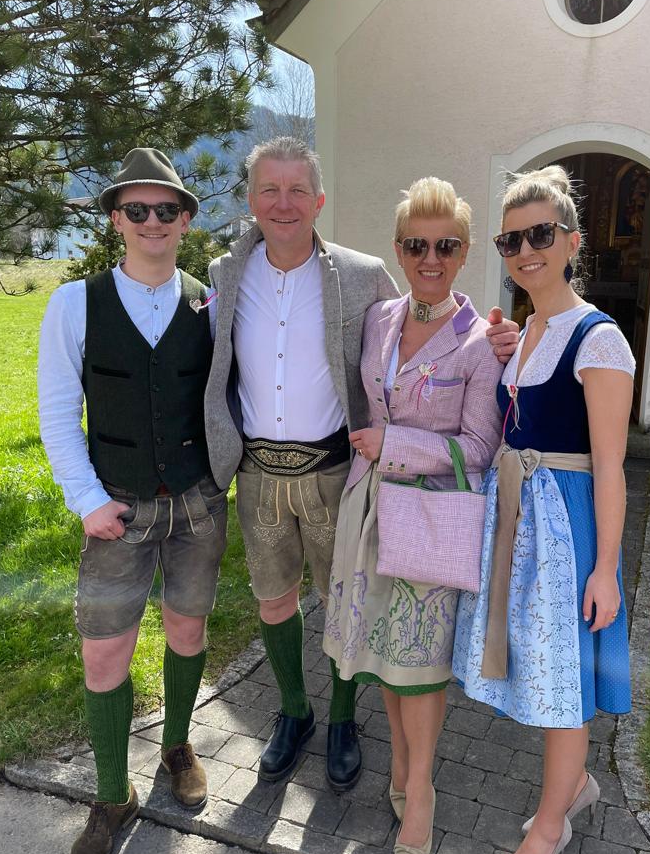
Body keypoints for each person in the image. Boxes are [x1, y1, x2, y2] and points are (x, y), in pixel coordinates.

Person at [204, 140, 518, 791]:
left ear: (320, 201)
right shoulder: (223, 276)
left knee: (343, 599)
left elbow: (422, 325)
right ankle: (294, 713)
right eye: (270, 189)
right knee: (273, 600)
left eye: (298, 191)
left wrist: (496, 339)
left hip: (335, 469)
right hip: (258, 472)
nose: (283, 203)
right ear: (251, 199)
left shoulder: (362, 272)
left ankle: (344, 718)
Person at [39, 148, 227, 854]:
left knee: (187, 631)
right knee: (105, 653)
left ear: (186, 220)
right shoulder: (73, 303)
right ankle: (112, 797)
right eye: (138, 210)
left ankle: (178, 745)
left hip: (196, 504)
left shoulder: (207, 301)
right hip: (114, 510)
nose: (154, 222)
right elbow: (58, 413)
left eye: (168, 209)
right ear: (117, 218)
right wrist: (86, 501)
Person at [452, 165, 634, 854]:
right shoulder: (525, 333)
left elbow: (613, 468)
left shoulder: (599, 339)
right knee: (540, 664)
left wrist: (605, 570)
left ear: (570, 242)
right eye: (510, 238)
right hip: (519, 518)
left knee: (564, 681)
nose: (525, 249)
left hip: (568, 528)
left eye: (540, 234)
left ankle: (553, 825)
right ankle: (577, 786)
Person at [323, 177, 504, 854]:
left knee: (421, 666)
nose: (430, 257)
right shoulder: (380, 320)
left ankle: (420, 788)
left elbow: (481, 451)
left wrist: (393, 445)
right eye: (416, 244)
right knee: (386, 659)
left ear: (463, 254)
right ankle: (399, 766)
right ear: (398, 248)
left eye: (446, 245)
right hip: (367, 513)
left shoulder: (482, 342)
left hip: (431, 519)